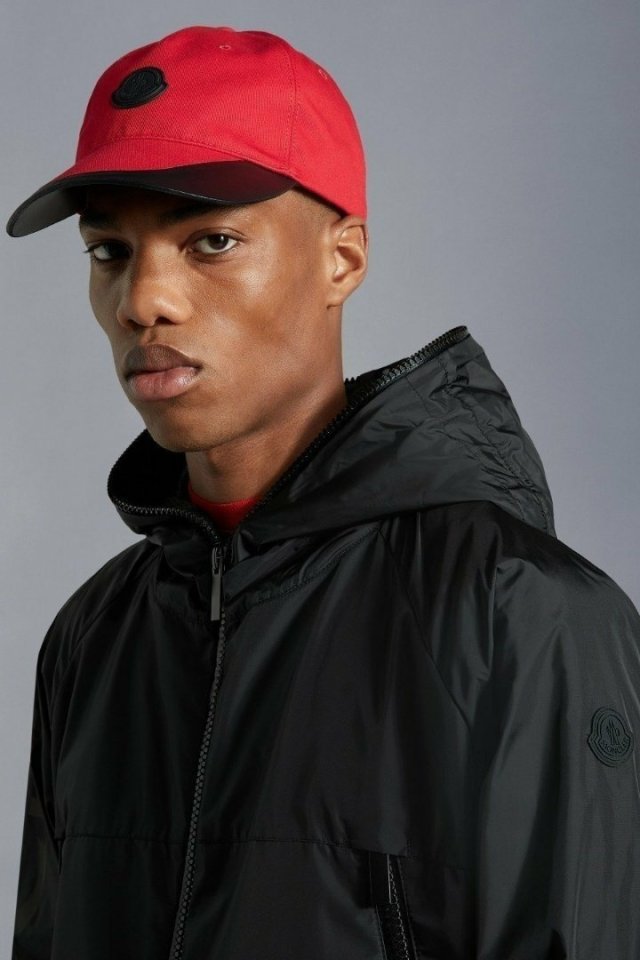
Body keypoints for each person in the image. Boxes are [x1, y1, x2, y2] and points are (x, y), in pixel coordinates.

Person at [7, 24, 640, 960]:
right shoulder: (92, 637)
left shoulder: (521, 614)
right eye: (109, 252)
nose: (143, 301)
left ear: (341, 260)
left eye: (211, 241)